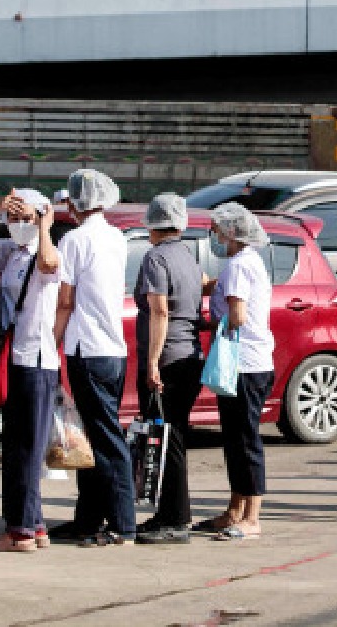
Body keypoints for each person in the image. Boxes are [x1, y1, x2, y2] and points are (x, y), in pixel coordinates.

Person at [0, 190, 61, 553]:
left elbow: (50, 264)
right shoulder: (11, 254)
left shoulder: (45, 252)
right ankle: (35, 523)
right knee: (15, 447)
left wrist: (43, 222)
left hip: (36, 360)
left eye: (22, 219)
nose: (17, 226)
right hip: (15, 358)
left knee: (26, 448)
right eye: (13, 220)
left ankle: (21, 530)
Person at [54, 169, 135, 547]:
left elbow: (65, 299)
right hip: (113, 349)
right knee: (90, 437)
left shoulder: (74, 240)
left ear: (75, 202)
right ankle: (86, 520)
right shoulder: (115, 237)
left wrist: (50, 342)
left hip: (86, 347)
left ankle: (122, 523)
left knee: (105, 439)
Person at [199, 203, 276, 540]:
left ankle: (252, 516)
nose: (213, 235)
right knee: (233, 438)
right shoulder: (244, 264)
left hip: (245, 362)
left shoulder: (239, 266)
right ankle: (235, 507)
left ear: (230, 232)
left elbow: (238, 315)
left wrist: (213, 320)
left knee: (245, 440)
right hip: (247, 362)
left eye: (216, 229)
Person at [134, 194, 207, 545]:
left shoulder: (155, 258)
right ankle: (172, 512)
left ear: (152, 224)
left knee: (168, 439)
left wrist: (151, 362)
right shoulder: (188, 258)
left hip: (169, 359)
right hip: (189, 355)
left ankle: (174, 520)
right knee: (172, 437)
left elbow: (160, 311)